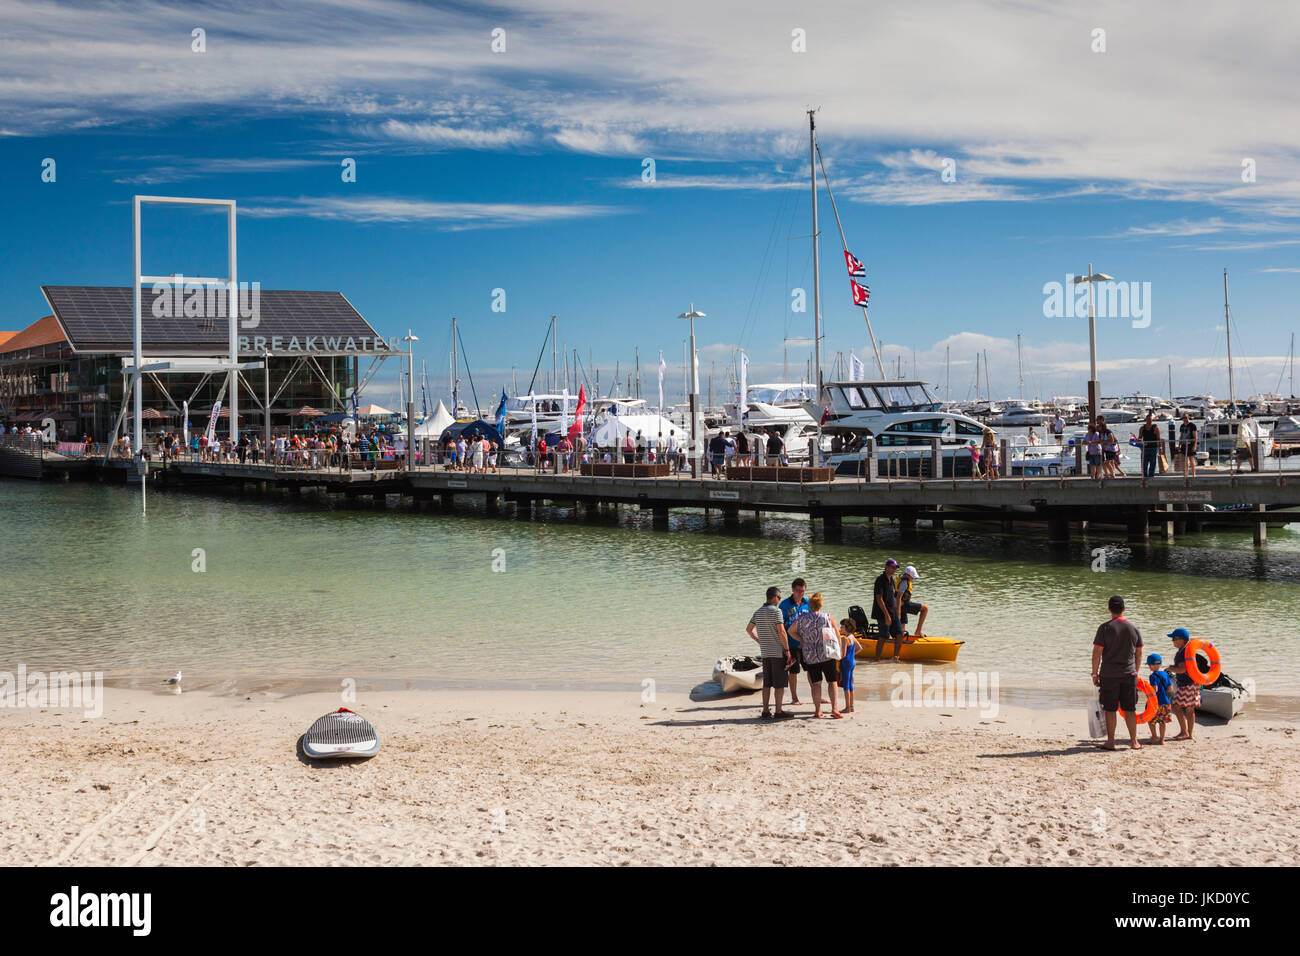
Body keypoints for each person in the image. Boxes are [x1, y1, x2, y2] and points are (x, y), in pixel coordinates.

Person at [1090, 595, 1143, 751]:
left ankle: (1111, 742)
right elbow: (1139, 653)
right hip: (1129, 674)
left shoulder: (1104, 628)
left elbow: (1097, 652)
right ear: (1124, 609)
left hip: (1109, 675)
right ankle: (1134, 742)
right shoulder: (1134, 628)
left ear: (1109, 609)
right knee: (1130, 709)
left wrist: (1094, 673)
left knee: (1110, 709)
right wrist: (1136, 672)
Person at [788, 592, 841, 718]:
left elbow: (790, 631)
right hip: (827, 653)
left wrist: (802, 639)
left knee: (816, 683)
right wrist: (840, 651)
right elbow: (837, 635)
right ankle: (834, 709)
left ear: (810, 605)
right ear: (821, 604)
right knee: (832, 682)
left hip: (810, 655)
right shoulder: (827, 617)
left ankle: (818, 710)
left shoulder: (802, 619)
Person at [746, 586, 795, 719]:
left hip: (765, 653)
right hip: (778, 653)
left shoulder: (758, 612)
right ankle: (778, 711)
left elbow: (749, 629)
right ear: (774, 597)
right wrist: (787, 650)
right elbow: (782, 632)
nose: (779, 600)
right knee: (779, 685)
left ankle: (765, 710)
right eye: (779, 597)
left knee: (767, 683)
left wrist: (760, 641)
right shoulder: (777, 612)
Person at [778, 578, 809, 705]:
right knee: (793, 672)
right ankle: (794, 697)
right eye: (797, 591)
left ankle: (816, 695)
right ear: (792, 590)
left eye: (802, 591)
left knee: (812, 670)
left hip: (807, 644)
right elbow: (779, 627)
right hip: (791, 645)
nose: (800, 594)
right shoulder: (784, 605)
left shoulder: (808, 602)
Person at [1167, 627, 1199, 741]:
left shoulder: (1181, 653)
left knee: (1176, 707)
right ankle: (1189, 733)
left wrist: (1171, 668)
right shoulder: (1188, 651)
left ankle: (1184, 732)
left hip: (1186, 684)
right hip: (1194, 684)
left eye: (1175, 638)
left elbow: (1182, 669)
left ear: (1183, 640)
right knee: (1190, 709)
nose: (1173, 641)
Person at [871, 558, 904, 660]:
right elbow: (879, 598)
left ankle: (895, 657)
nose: (894, 570)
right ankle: (877, 659)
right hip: (882, 613)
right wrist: (886, 615)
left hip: (892, 611)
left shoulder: (892, 580)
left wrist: (897, 612)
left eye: (895, 568)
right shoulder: (880, 580)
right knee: (883, 636)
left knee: (900, 634)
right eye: (893, 567)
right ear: (886, 567)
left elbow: (893, 597)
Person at [1146, 653, 1173, 745]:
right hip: (1165, 702)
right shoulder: (1165, 674)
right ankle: (1162, 740)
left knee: (1151, 721)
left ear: (1150, 666)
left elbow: (1155, 689)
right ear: (1160, 664)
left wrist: (1147, 692)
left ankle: (1154, 737)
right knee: (1162, 722)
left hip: (1156, 703)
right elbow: (1170, 689)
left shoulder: (1152, 676)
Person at [898, 565, 929, 638]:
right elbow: (898, 597)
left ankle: (902, 640)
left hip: (901, 605)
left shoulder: (901, 579)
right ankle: (918, 631)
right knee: (925, 609)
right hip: (901, 606)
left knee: (902, 630)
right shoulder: (904, 583)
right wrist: (898, 611)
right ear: (908, 575)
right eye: (913, 577)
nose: (914, 579)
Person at [837, 618, 857, 715]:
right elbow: (859, 648)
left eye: (842, 627)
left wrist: (836, 657)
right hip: (852, 662)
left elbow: (843, 654)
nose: (840, 628)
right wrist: (851, 654)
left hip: (846, 663)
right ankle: (852, 706)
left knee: (846, 685)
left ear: (847, 628)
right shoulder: (852, 636)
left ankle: (847, 708)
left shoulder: (845, 639)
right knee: (851, 683)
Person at [1139, 413, 1161, 479]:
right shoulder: (1142, 428)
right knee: (1144, 463)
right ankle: (1145, 476)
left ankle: (1151, 476)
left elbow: (1158, 438)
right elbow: (1140, 437)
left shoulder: (1155, 427)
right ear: (1146, 420)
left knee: (1153, 463)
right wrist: (1139, 441)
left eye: (1150, 419)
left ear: (1152, 420)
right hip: (1145, 448)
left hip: (1153, 448)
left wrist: (1160, 448)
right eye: (1148, 419)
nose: (1149, 421)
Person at [1178, 413, 1198, 477]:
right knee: (1185, 460)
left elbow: (1195, 437)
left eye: (1186, 417)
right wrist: (1179, 444)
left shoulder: (1192, 425)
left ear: (1188, 417)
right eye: (1183, 418)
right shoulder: (1182, 426)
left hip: (1191, 444)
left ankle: (1193, 474)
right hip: (1184, 444)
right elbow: (1181, 436)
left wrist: (1195, 445)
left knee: (1191, 459)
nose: (1185, 419)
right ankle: (1186, 474)